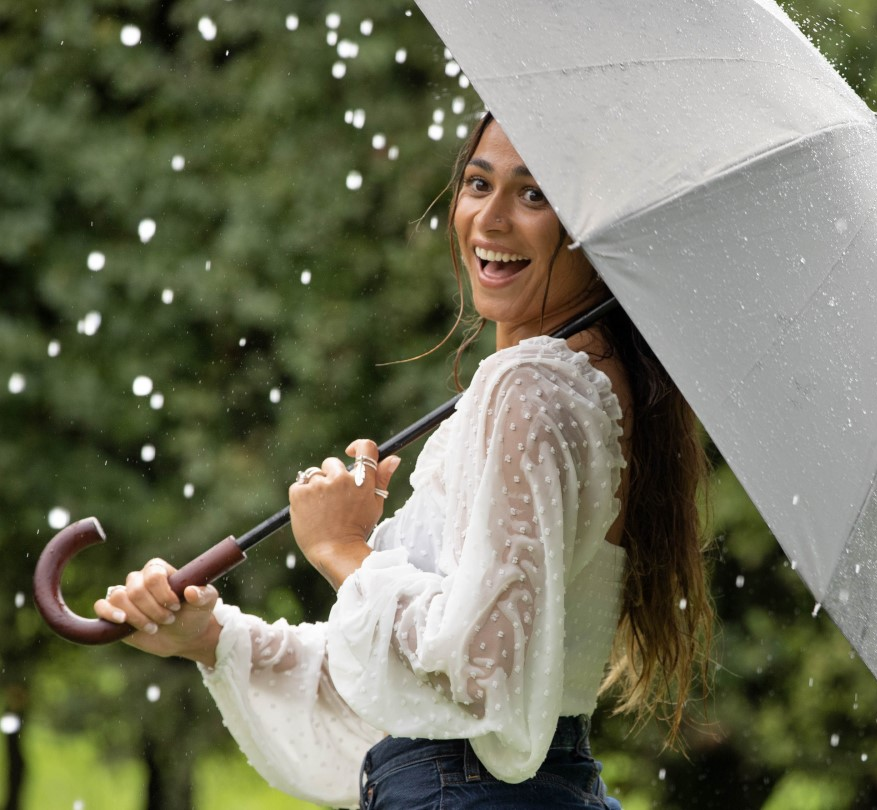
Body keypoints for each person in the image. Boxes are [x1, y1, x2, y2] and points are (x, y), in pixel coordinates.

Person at [94, 112, 713, 809]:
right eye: (479, 183)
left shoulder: (531, 387)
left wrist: (340, 546)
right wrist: (211, 637)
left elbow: (479, 674)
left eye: (535, 195)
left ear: (591, 222)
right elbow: (409, 687)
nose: (491, 220)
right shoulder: (594, 382)